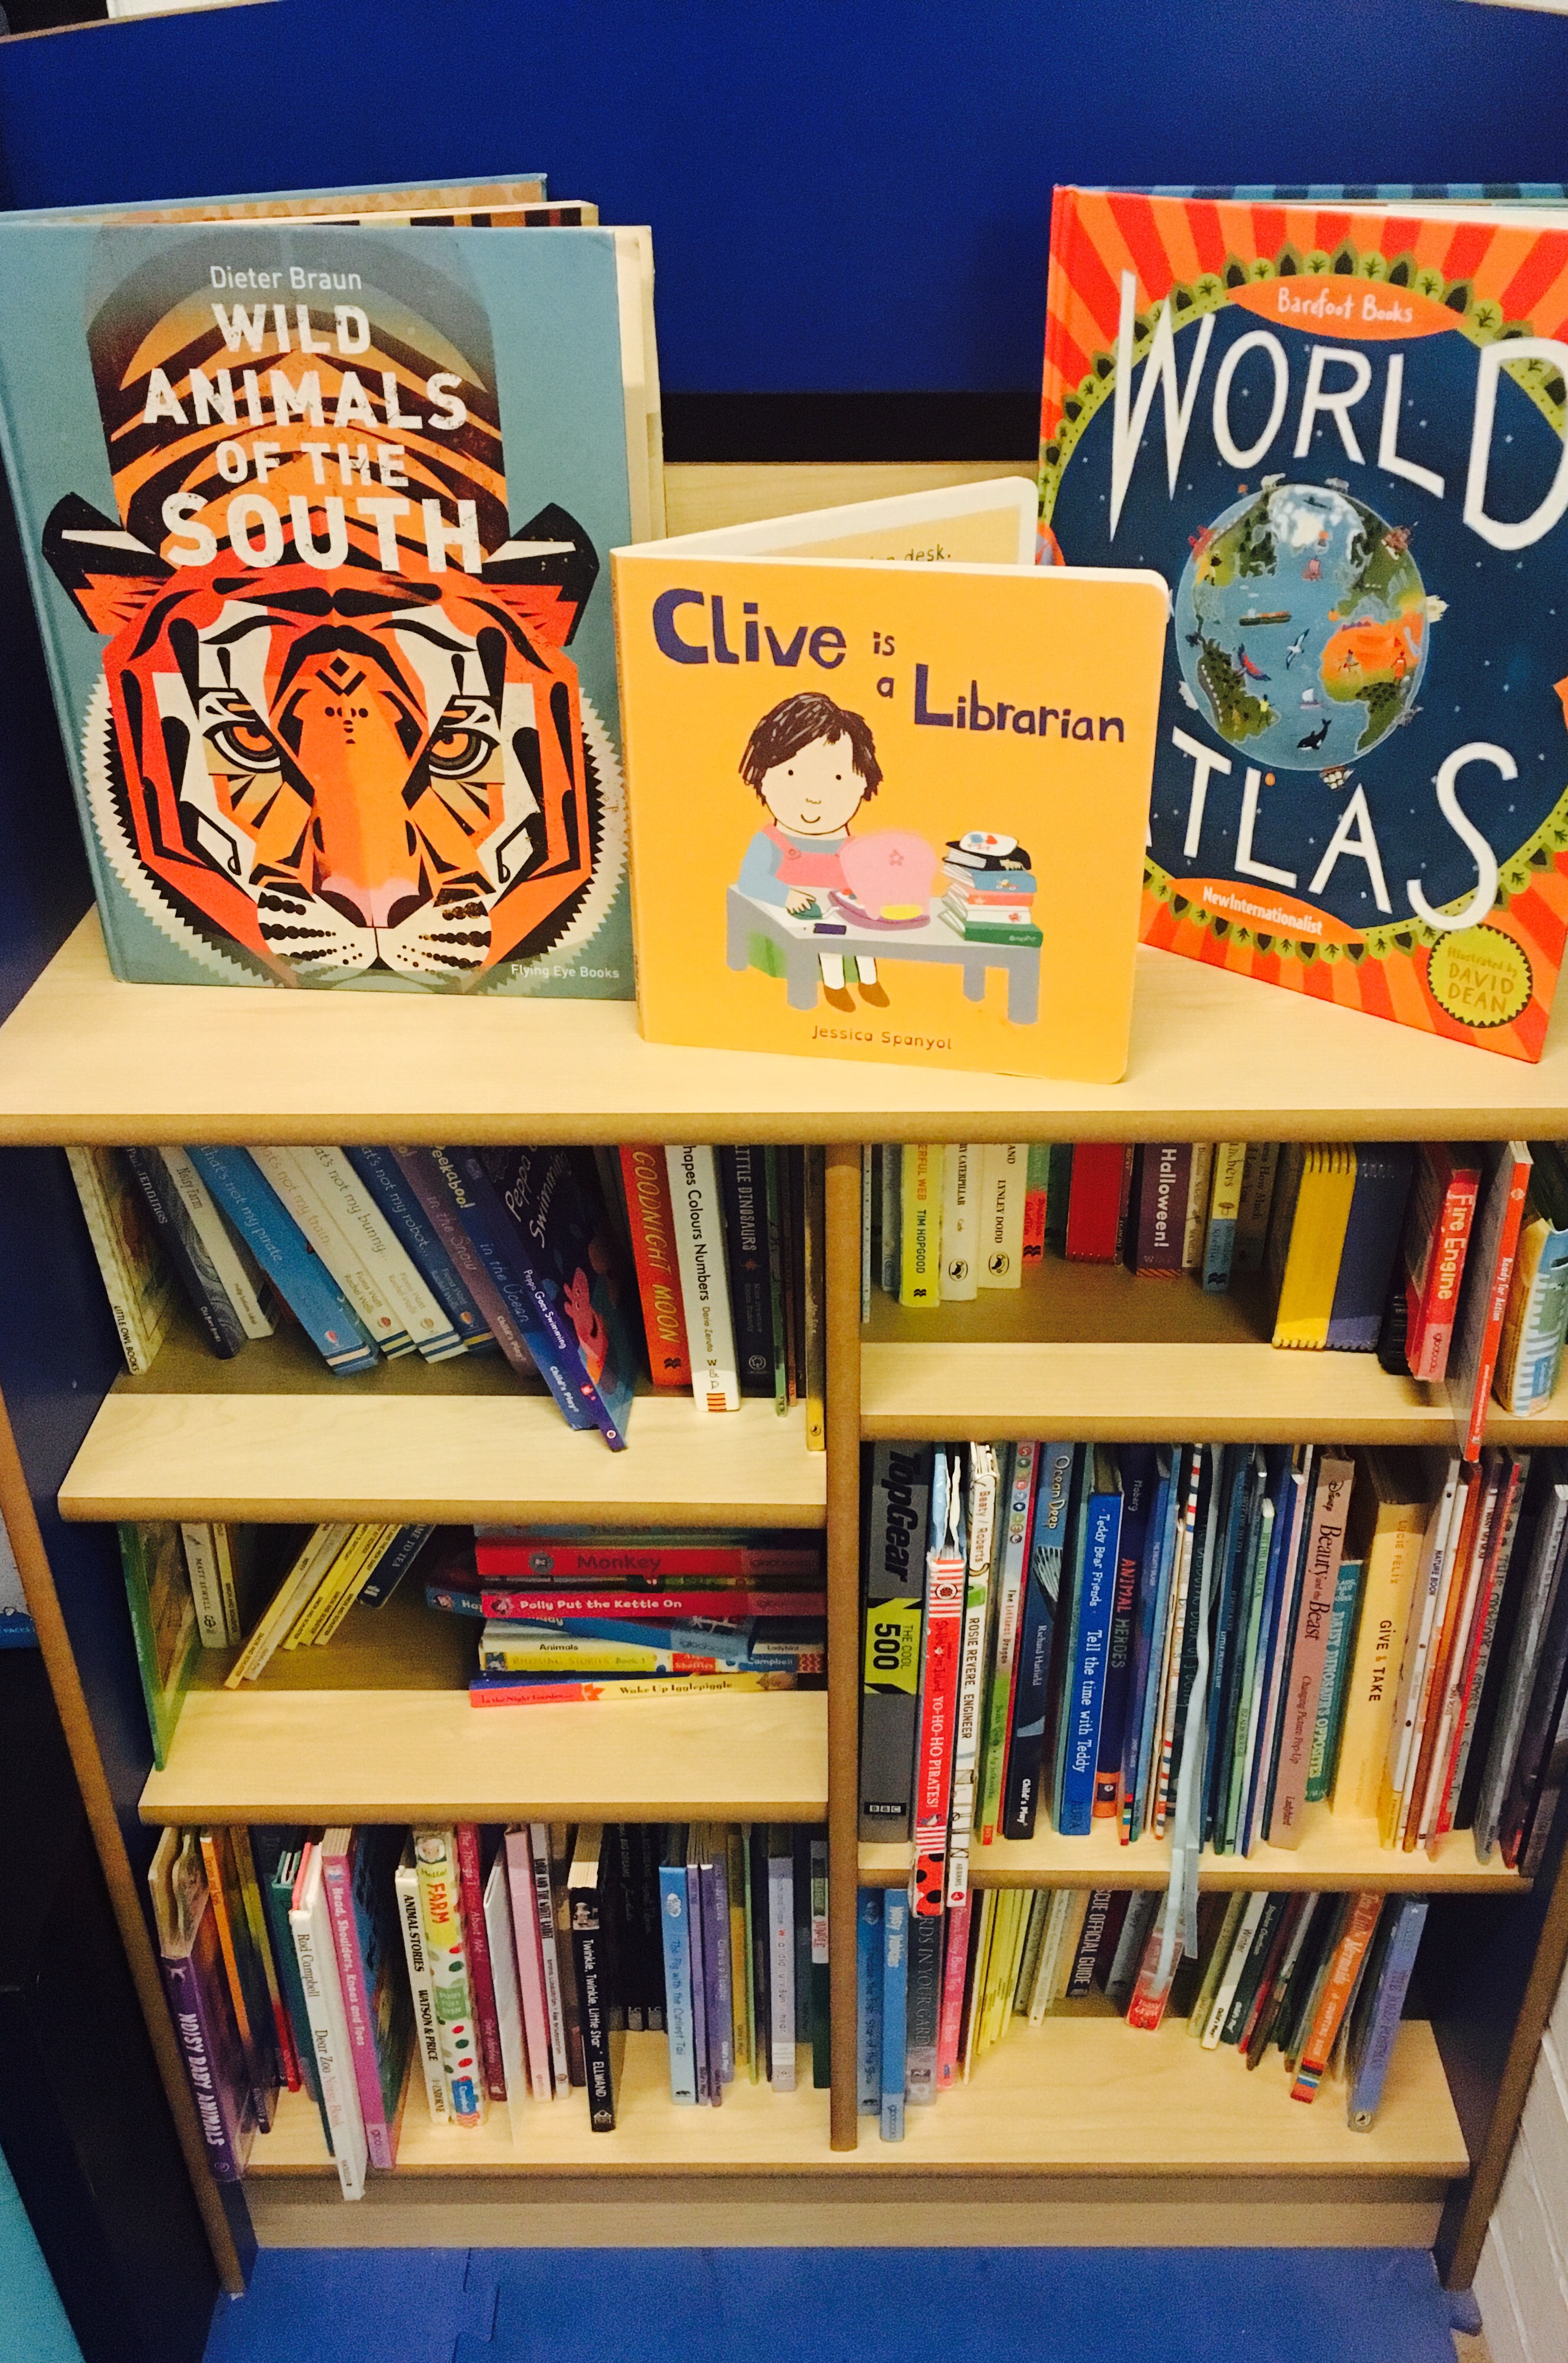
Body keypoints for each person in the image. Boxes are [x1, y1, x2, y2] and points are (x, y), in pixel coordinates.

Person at [735, 690, 887, 1010]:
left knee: (864, 939)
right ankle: (835, 987)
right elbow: (750, 880)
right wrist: (786, 896)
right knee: (829, 941)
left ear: (863, 783)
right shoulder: (771, 842)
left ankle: (869, 980)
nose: (814, 796)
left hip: (851, 923)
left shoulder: (855, 848)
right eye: (792, 773)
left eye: (837, 777)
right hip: (798, 930)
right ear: (763, 777)